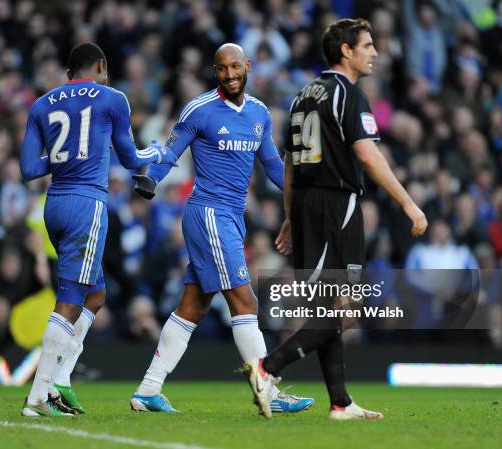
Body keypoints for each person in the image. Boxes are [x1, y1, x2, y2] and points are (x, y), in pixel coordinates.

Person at [240, 19, 428, 419]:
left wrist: (290, 216)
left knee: (326, 306)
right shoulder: (348, 94)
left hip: (307, 204)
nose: (374, 53)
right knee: (346, 306)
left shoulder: (302, 96)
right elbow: (367, 154)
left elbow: (290, 164)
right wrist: (409, 204)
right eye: (368, 45)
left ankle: (340, 402)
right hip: (336, 204)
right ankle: (267, 367)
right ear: (346, 50)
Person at [129, 43, 313, 414]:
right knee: (244, 301)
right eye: (222, 69)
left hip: (230, 217)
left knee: (192, 307)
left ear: (247, 66)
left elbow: (273, 166)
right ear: (215, 72)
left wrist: (304, 192)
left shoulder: (259, 113)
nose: (229, 74)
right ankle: (268, 390)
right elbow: (171, 149)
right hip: (208, 213)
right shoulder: (199, 109)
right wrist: (151, 179)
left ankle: (148, 390)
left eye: (235, 67)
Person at [19, 42, 177, 417]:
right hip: (87, 204)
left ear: (69, 71)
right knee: (72, 297)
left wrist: (65, 156)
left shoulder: (42, 104)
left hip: (54, 205)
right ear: (101, 65)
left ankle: (62, 379)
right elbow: (129, 158)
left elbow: (28, 169)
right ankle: (38, 397)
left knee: (95, 295)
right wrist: (155, 152)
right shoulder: (111, 98)